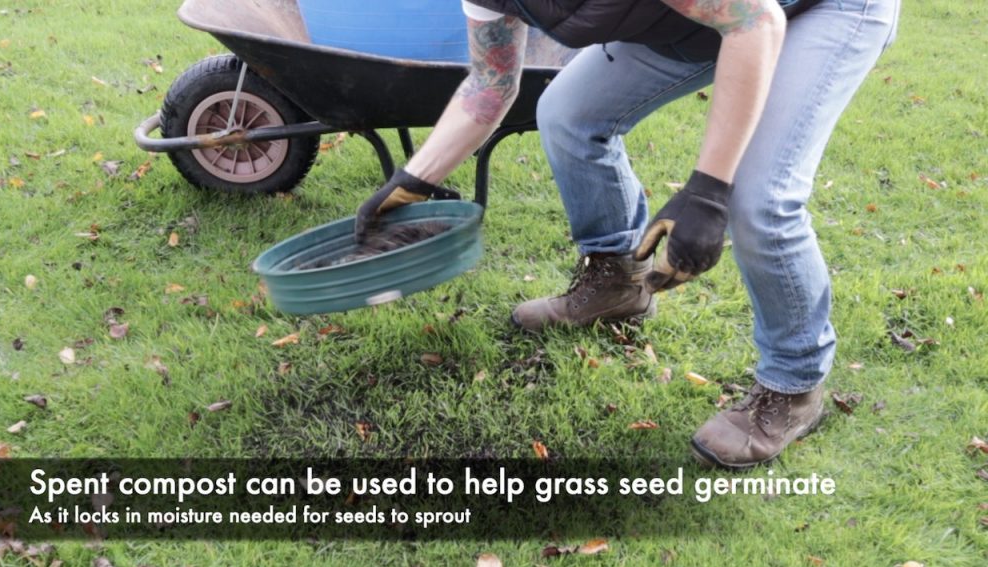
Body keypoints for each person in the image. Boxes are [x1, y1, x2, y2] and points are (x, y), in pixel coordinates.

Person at [354, 0, 900, 469]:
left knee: (759, 198)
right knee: (568, 113)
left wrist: (708, 192)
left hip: (821, 10)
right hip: (706, 18)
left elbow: (753, 22)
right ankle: (616, 282)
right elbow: (489, 83)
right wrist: (413, 180)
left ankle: (794, 383)